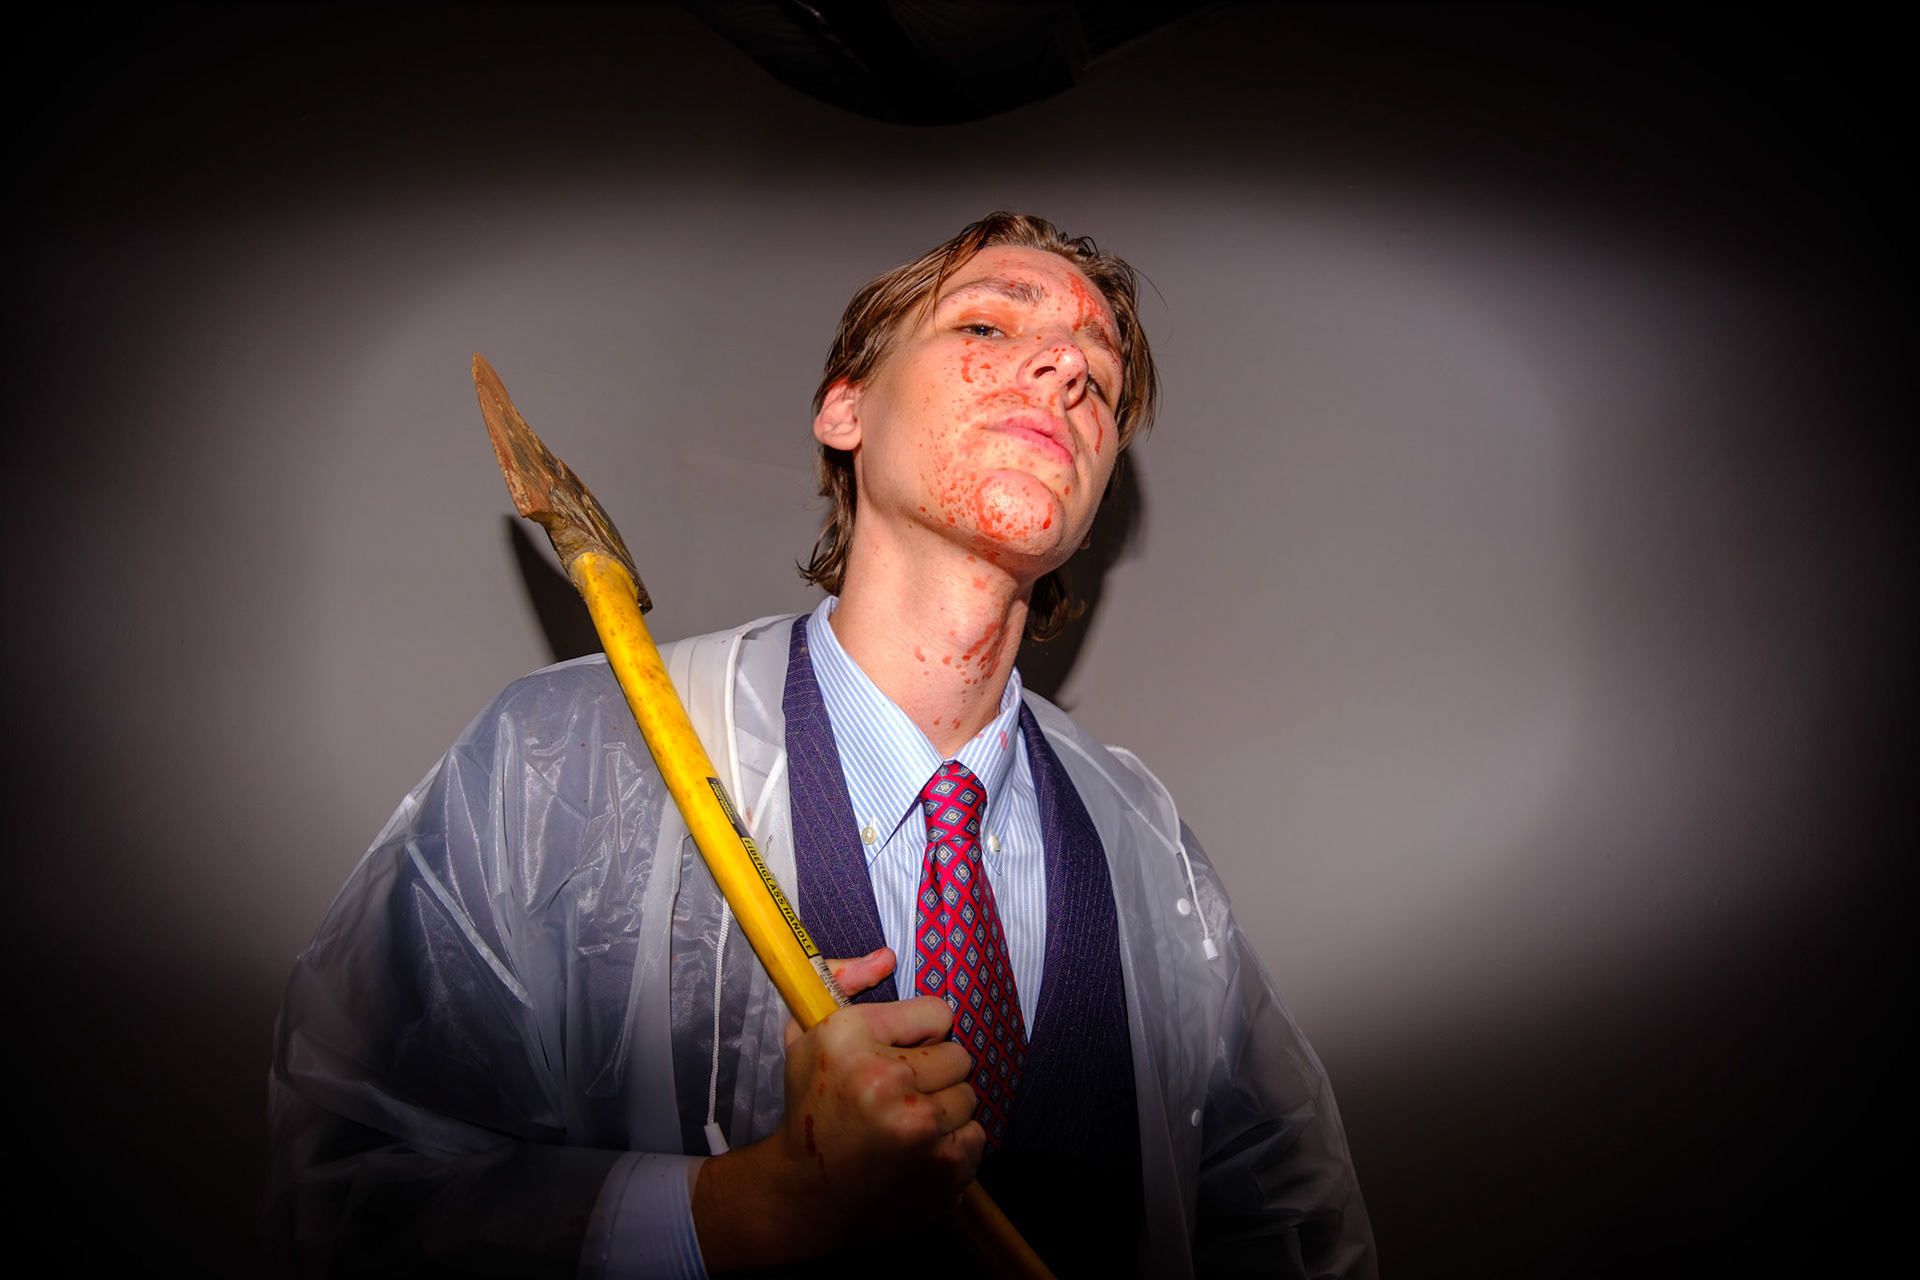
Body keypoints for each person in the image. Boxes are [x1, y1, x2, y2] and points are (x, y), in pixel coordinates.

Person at [265, 213, 1376, 1279]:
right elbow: (357, 1196)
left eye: (1102, 374)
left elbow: (1282, 1222)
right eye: (988, 324)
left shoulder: (1149, 851)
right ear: (845, 407)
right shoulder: (562, 761)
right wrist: (751, 1205)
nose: (1068, 371)